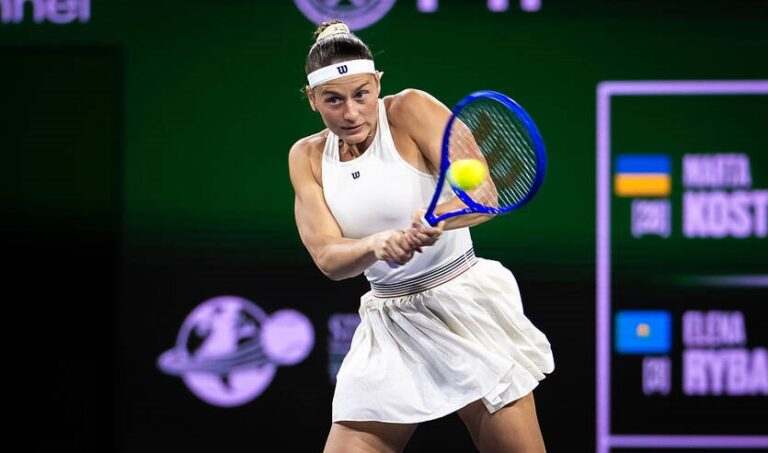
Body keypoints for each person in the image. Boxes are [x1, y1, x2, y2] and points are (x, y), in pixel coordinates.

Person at [288, 19, 555, 453]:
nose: (351, 113)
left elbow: (484, 193)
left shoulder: (412, 109)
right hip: (390, 324)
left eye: (361, 94)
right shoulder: (306, 156)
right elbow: (327, 257)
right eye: (334, 100)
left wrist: (441, 218)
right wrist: (375, 245)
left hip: (463, 310)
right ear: (312, 99)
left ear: (378, 83)